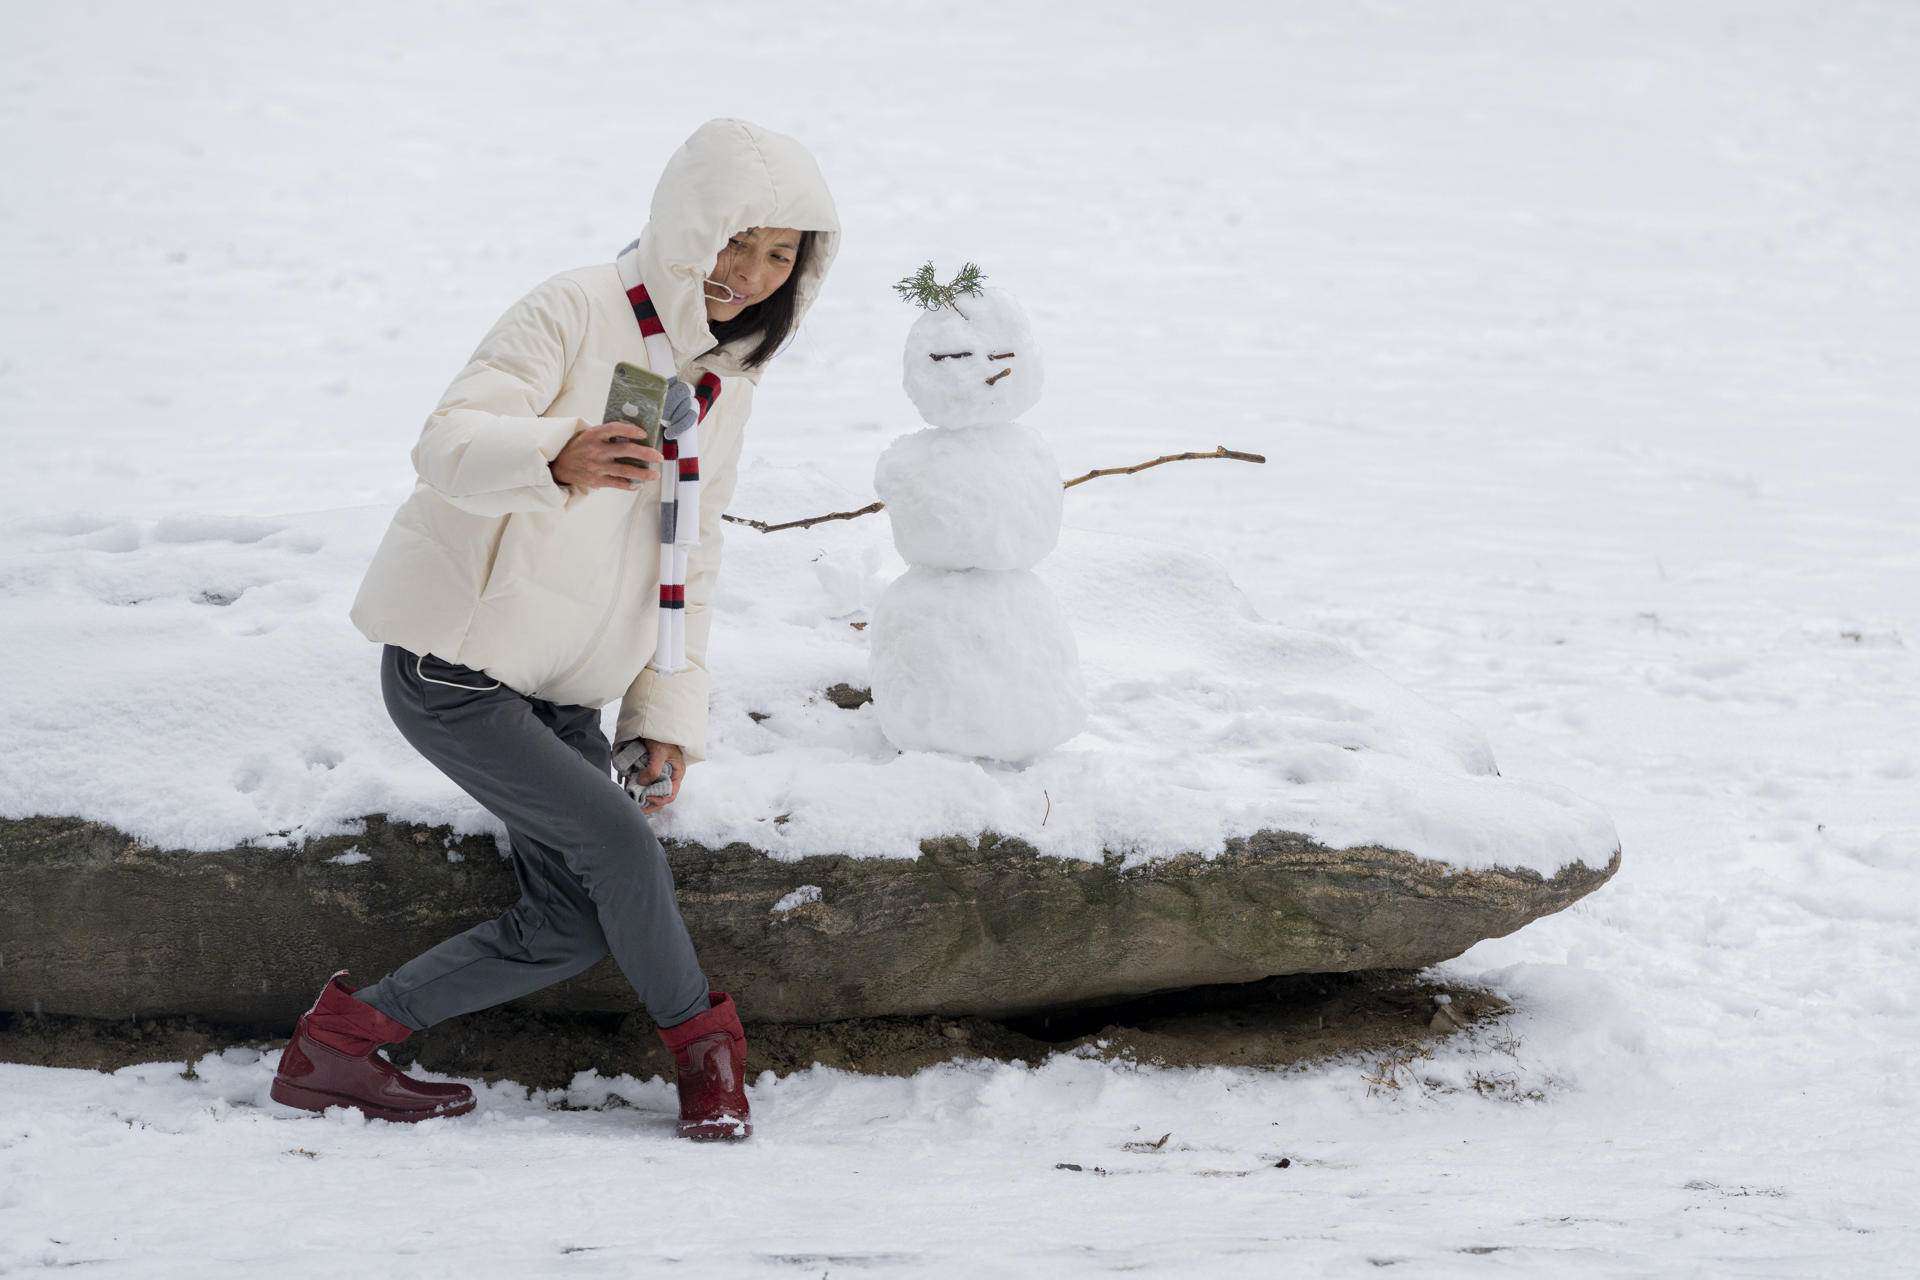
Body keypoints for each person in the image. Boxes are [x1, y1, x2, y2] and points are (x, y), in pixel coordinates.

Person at [267, 118, 839, 1140]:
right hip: (458, 668)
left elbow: (691, 554)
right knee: (621, 843)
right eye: (736, 240)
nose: (749, 273)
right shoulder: (574, 307)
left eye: (779, 255)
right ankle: (706, 1056)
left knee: (572, 920)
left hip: (564, 686)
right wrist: (555, 452)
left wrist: (664, 709)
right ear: (686, 225)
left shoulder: (728, 378)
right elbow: (444, 442)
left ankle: (343, 1044)